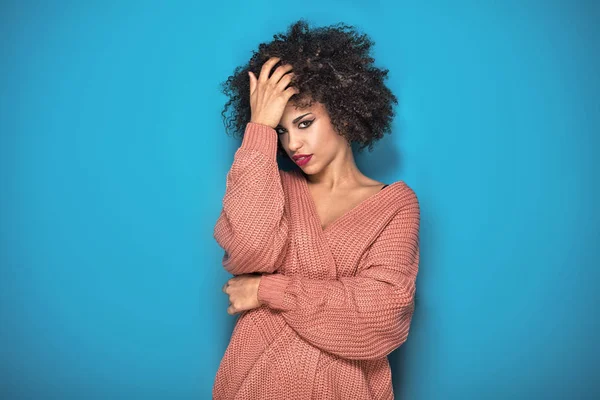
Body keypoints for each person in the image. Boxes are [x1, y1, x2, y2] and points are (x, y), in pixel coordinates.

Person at [213, 19, 420, 400]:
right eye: (282, 130)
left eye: (305, 122)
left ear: (343, 112)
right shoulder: (270, 188)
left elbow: (381, 313)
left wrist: (266, 289)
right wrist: (259, 127)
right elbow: (248, 249)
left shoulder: (395, 205)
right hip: (256, 383)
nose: (293, 143)